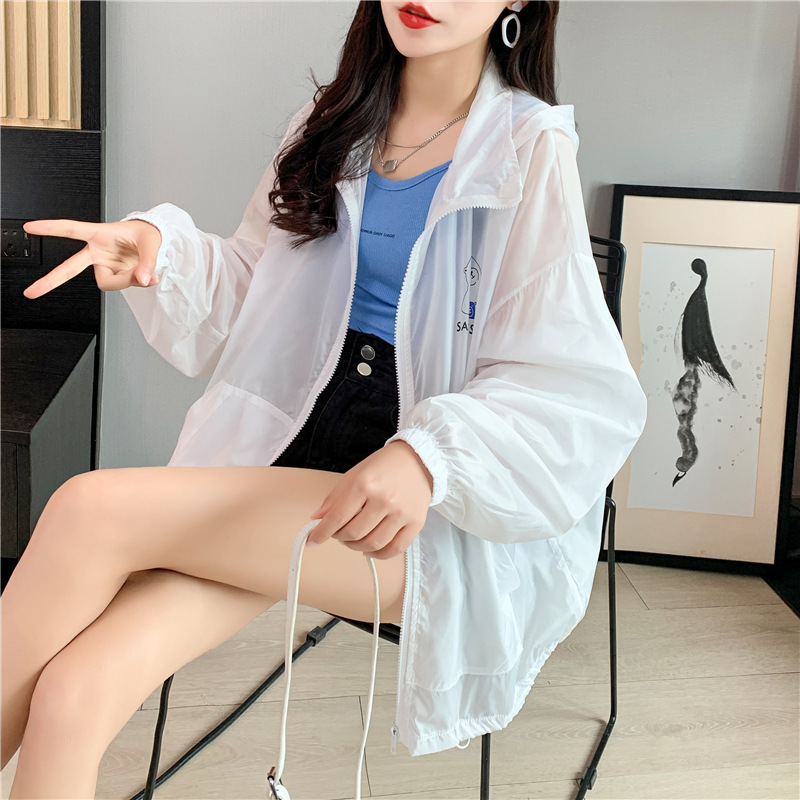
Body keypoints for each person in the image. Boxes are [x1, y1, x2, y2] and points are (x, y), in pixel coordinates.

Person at [1, 1, 648, 797]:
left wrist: (429, 456)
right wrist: (163, 254)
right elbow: (262, 293)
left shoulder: (528, 144)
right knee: (73, 695)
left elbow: (572, 383)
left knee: (87, 511)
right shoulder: (333, 119)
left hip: (422, 503)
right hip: (294, 437)